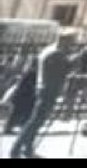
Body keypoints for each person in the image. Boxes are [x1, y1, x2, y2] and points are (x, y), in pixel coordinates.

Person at [9, 30, 76, 159]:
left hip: (43, 88)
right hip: (48, 90)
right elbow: (68, 66)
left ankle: (27, 149)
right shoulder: (56, 53)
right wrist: (84, 54)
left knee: (36, 121)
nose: (71, 45)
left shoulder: (49, 50)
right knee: (35, 122)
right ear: (64, 40)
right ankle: (16, 149)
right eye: (70, 41)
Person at [1, 56, 37, 135]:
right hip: (24, 96)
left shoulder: (27, 71)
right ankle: (11, 128)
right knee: (19, 113)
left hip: (21, 96)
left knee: (16, 113)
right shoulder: (31, 73)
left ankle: (10, 127)